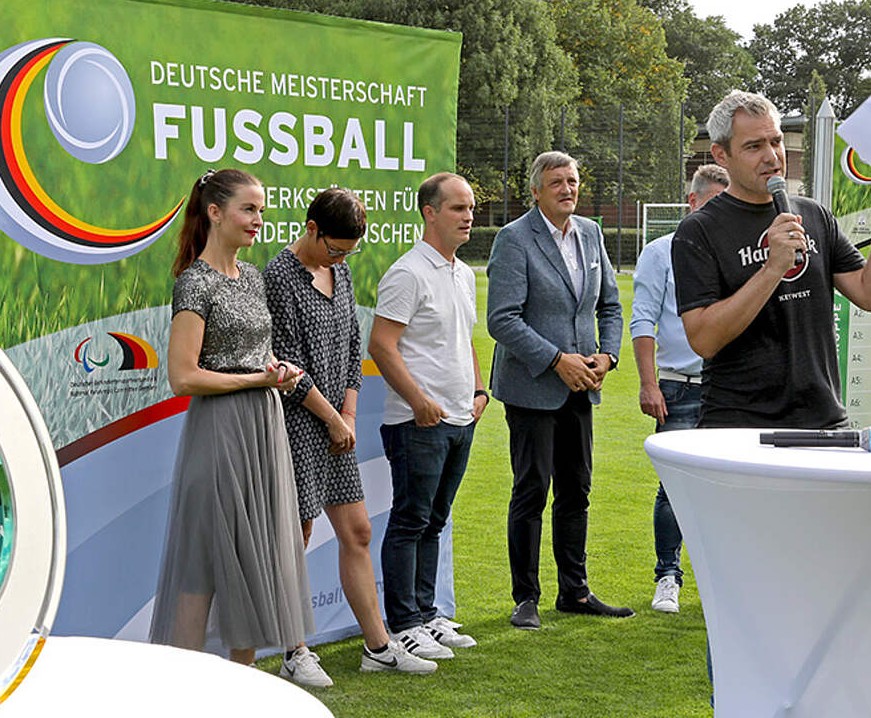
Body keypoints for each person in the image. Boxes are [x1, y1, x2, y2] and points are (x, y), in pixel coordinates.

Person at [264, 188, 436, 682]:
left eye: (349, 252)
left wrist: (349, 412)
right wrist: (333, 418)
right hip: (297, 423)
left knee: (358, 531)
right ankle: (294, 651)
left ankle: (378, 646)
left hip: (337, 424)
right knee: (296, 536)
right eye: (335, 249)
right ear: (312, 229)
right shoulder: (279, 277)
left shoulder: (340, 272)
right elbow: (288, 366)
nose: (340, 259)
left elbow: (351, 347)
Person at [672, 90, 871, 429]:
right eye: (753, 146)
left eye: (776, 141)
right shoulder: (699, 230)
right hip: (739, 426)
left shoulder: (813, 214)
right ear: (721, 155)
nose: (772, 156)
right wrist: (772, 268)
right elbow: (704, 341)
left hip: (823, 420)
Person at [149, 168, 314, 669]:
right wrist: (256, 380)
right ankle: (185, 688)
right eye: (249, 209)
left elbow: (255, 353)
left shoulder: (254, 277)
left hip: (263, 427)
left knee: (256, 559)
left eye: (261, 210)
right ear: (215, 213)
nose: (258, 219)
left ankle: (242, 685)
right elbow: (183, 377)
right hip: (220, 430)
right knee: (202, 566)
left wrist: (276, 370)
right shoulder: (194, 282)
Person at [487, 151, 627, 631]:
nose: (567, 189)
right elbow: (502, 319)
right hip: (532, 388)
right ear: (535, 191)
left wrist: (607, 356)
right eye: (556, 183)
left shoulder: (590, 233)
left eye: (572, 181)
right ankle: (526, 598)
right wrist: (556, 360)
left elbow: (610, 306)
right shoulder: (513, 238)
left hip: (582, 386)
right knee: (532, 491)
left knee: (577, 491)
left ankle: (575, 592)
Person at [368, 171, 486, 661]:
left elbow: (464, 337)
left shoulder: (464, 273)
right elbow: (381, 345)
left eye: (471, 207)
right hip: (417, 423)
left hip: (460, 418)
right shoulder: (407, 273)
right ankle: (404, 625)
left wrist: (479, 391)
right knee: (410, 520)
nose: (469, 216)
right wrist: (418, 401)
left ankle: (427, 613)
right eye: (458, 208)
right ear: (429, 213)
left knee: (434, 520)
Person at [631, 163, 727, 614]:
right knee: (674, 488)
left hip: (728, 387)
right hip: (679, 386)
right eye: (713, 205)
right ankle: (668, 576)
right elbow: (643, 319)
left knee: (728, 487)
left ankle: (719, 579)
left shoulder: (735, 251)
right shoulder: (660, 252)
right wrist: (649, 384)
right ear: (692, 202)